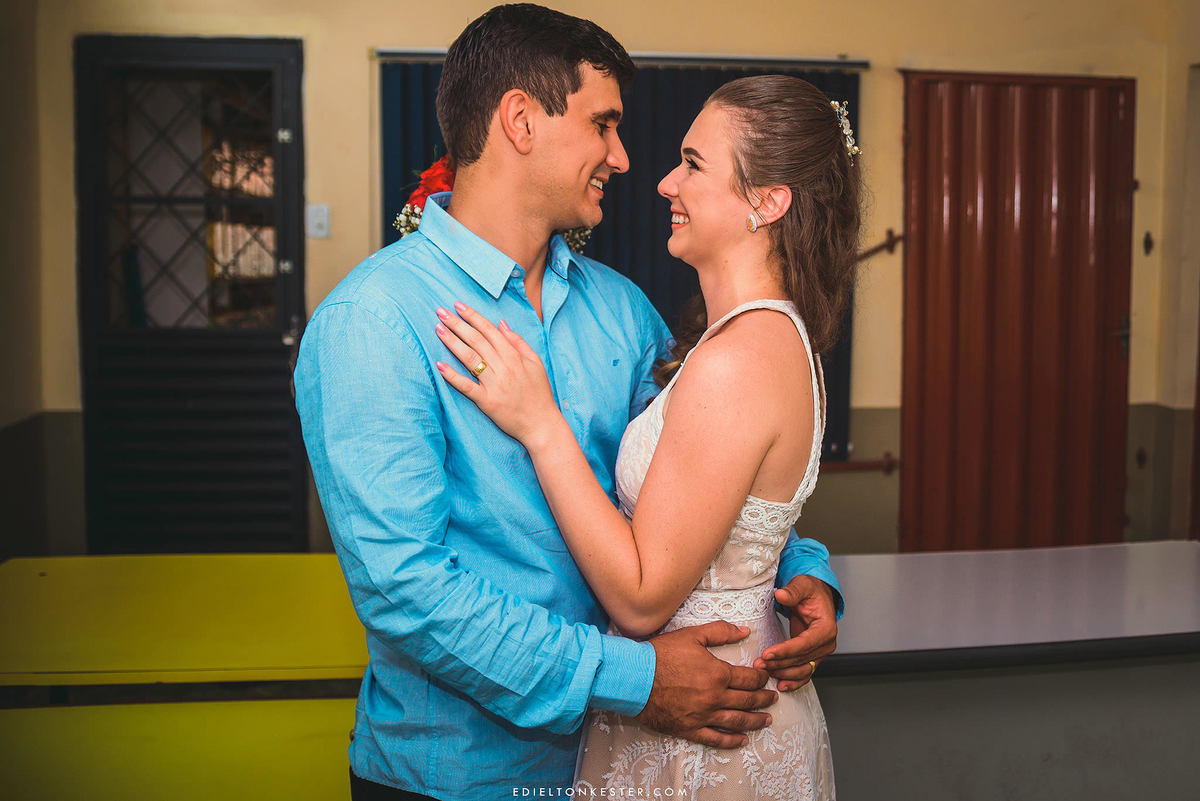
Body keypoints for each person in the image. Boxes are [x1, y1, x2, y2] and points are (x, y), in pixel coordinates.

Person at [294, 5, 843, 800]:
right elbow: (406, 587)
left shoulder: (621, 310)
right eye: (603, 125)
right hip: (461, 776)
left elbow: (706, 472)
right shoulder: (373, 319)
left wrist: (800, 571)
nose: (623, 158)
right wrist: (633, 678)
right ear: (520, 120)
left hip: (617, 764)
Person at [434, 73, 861, 800]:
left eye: (693, 163)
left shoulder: (734, 357)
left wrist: (541, 422)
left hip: (707, 726)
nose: (661, 180)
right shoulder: (747, 340)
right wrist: (806, 565)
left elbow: (640, 597)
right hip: (683, 702)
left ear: (768, 201)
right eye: (603, 126)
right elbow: (728, 502)